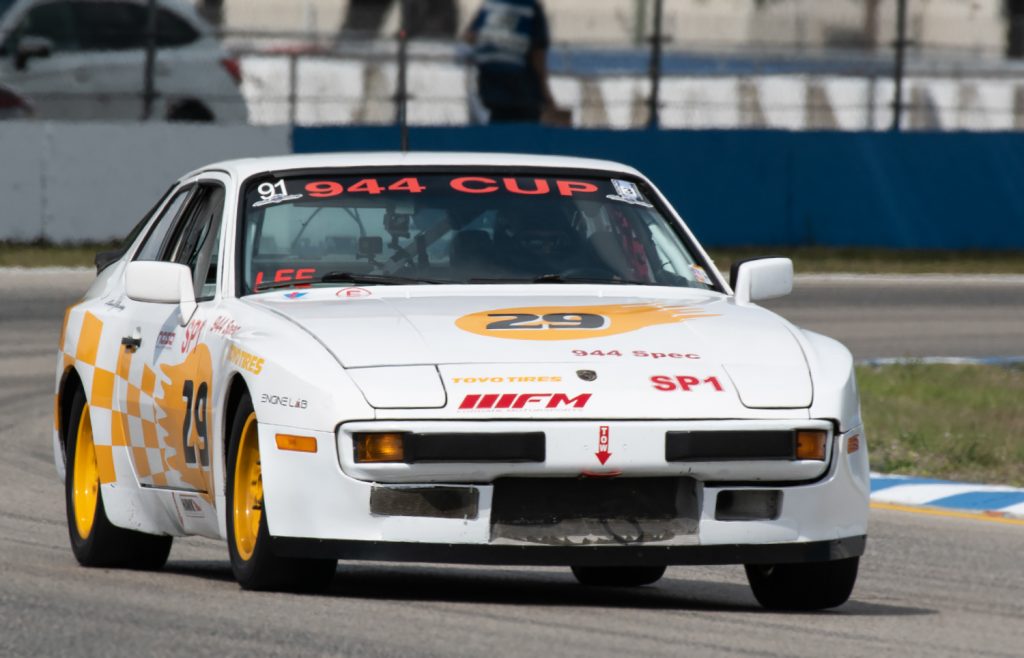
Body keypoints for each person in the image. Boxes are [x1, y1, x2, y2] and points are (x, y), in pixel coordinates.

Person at [463, 0, 556, 123]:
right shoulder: (531, 9)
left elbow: (469, 36)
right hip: (523, 92)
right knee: (525, 135)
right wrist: (548, 98)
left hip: (491, 90)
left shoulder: (491, 5)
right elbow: (538, 58)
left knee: (498, 132)